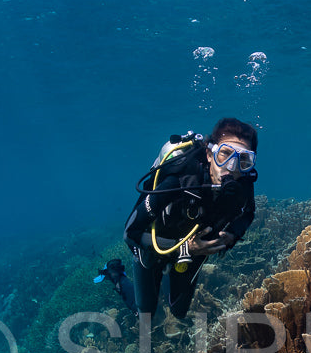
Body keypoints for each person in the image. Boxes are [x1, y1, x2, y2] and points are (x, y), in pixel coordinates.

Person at [97, 117, 258, 321]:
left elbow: (248, 214)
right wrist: (186, 249)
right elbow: (131, 233)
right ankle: (116, 276)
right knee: (145, 316)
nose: (232, 167)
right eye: (225, 154)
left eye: (243, 160)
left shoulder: (243, 185)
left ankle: (166, 274)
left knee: (179, 312)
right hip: (151, 248)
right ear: (209, 154)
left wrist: (232, 236)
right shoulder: (180, 180)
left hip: (192, 253)